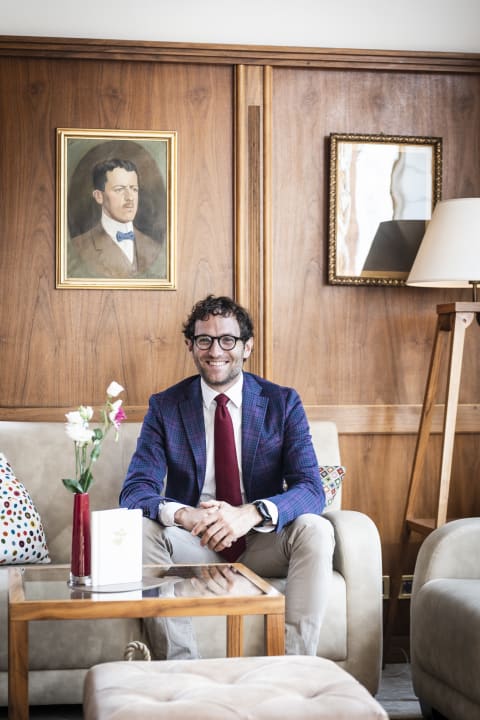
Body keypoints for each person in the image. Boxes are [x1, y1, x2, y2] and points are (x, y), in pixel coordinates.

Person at [119, 294, 334, 658]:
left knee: (317, 529)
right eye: (204, 340)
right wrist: (184, 515)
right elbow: (135, 491)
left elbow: (311, 489)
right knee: (138, 530)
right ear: (191, 346)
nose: (215, 350)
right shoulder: (166, 406)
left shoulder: (282, 403)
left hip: (261, 541)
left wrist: (251, 513)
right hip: (196, 543)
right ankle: (182, 669)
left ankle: (294, 667)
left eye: (228, 340)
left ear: (247, 347)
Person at [68, 158, 165, 279]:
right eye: (119, 189)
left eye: (134, 189)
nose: (130, 197)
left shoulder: (153, 246)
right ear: (99, 196)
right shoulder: (79, 248)